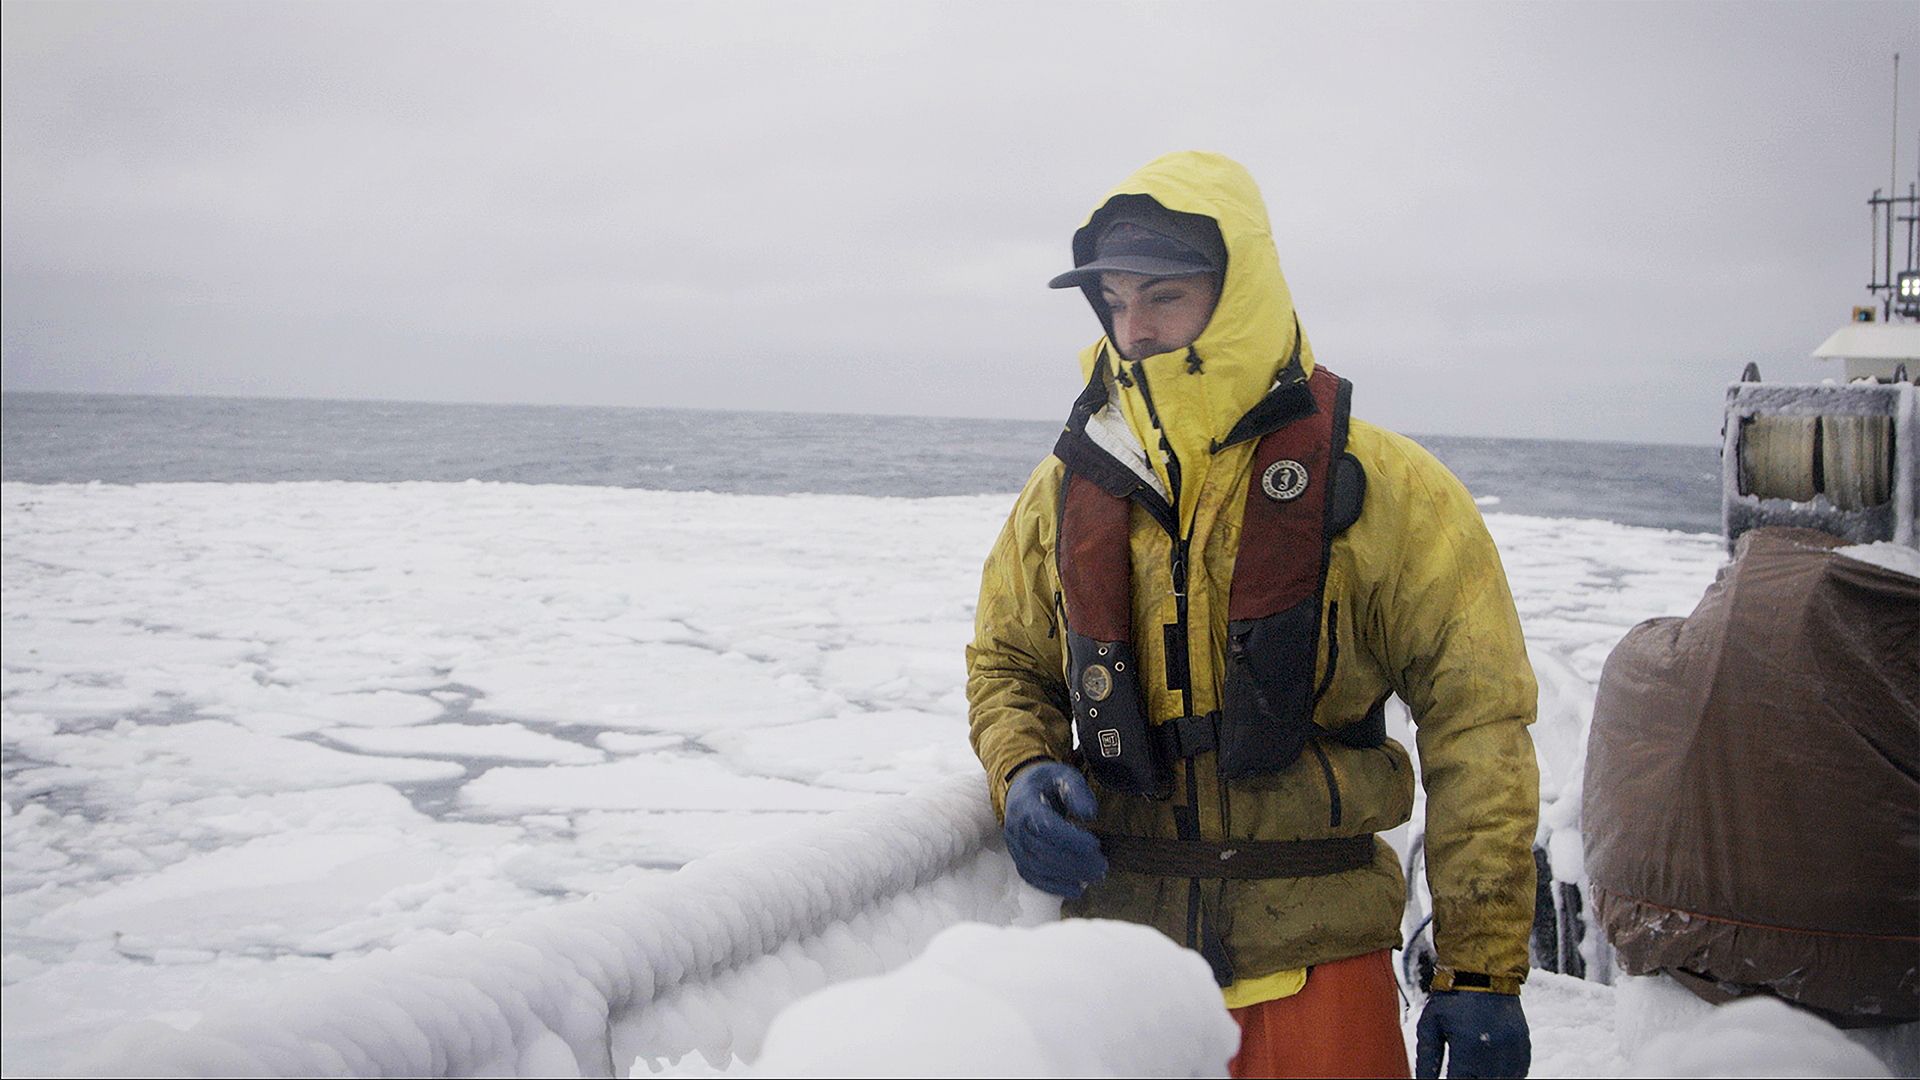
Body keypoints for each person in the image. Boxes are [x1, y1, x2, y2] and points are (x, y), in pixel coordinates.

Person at [965, 150, 1539, 1079]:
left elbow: (1479, 723)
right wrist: (1022, 767)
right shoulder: (1063, 491)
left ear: (1238, 291)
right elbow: (1005, 663)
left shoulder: (1391, 489)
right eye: (1115, 300)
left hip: (1320, 960)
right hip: (1122, 973)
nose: (1134, 328)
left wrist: (1481, 971)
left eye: (1164, 296)